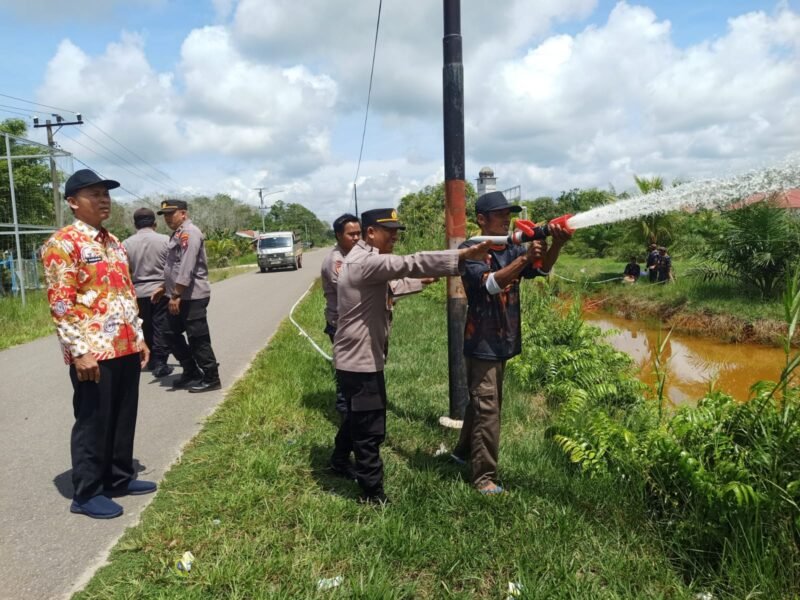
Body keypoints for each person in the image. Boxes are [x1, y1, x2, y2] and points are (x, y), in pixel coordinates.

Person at [331, 208, 490, 504]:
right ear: (370, 233)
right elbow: (410, 262)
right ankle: (371, 493)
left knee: (356, 419)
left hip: (355, 360)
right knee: (370, 428)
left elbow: (389, 286)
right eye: (388, 230)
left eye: (397, 230)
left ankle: (339, 461)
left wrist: (422, 281)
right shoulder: (366, 261)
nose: (395, 235)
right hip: (361, 363)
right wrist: (462, 257)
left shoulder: (361, 262)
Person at [41, 169, 156, 519]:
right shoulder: (62, 244)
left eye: (106, 193)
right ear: (74, 202)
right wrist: (79, 352)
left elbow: (125, 295)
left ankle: (118, 477)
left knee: (123, 416)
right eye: (94, 194)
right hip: (93, 351)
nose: (103, 199)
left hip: (123, 345)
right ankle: (87, 492)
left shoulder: (114, 243)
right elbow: (62, 304)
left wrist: (139, 337)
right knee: (93, 421)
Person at [452, 191, 571, 495]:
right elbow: (489, 285)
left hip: (503, 340)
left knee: (482, 402)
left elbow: (541, 269)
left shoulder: (509, 247)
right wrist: (524, 258)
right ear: (481, 219)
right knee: (489, 407)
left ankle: (461, 453)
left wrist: (555, 243)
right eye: (500, 214)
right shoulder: (471, 249)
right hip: (482, 343)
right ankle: (483, 478)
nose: (506, 218)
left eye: (509, 213)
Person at [153, 199, 221, 393]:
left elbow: (186, 267)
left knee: (197, 337)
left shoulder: (189, 233)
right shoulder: (177, 234)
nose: (167, 218)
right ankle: (191, 370)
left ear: (183, 214)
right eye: (165, 215)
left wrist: (175, 295)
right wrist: (162, 287)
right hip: (179, 293)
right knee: (168, 332)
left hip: (192, 295)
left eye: (171, 214)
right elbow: (172, 267)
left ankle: (211, 377)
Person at [321, 213, 362, 431]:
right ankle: (346, 416)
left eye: (359, 233)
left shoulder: (356, 254)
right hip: (341, 325)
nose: (356, 238)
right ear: (338, 235)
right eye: (351, 234)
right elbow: (353, 286)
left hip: (354, 323)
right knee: (345, 372)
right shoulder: (336, 261)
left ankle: (355, 412)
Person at [123, 208, 173, 378]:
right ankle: (160, 362)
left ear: (135, 224)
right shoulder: (166, 240)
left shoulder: (126, 244)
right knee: (161, 326)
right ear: (155, 224)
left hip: (138, 291)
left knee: (145, 326)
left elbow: (125, 270)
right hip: (161, 289)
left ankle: (149, 358)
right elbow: (172, 268)